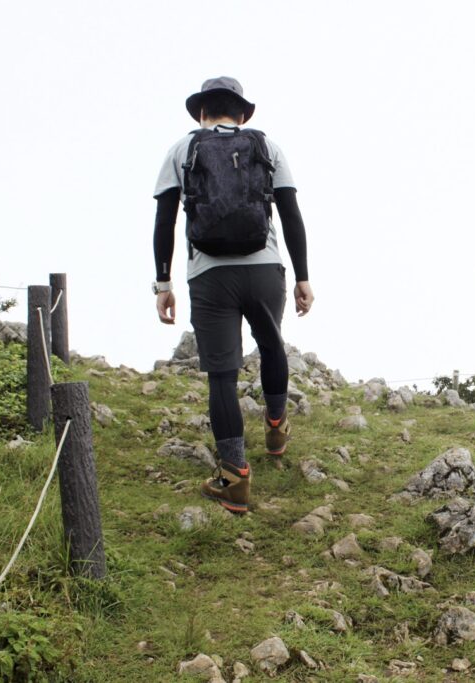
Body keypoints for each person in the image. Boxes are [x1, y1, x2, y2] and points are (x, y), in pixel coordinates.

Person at [152, 76, 314, 514]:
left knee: (222, 375)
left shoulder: (181, 150)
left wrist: (163, 284)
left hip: (208, 275)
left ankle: (235, 477)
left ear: (202, 113)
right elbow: (291, 213)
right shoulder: (267, 146)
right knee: (271, 345)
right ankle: (277, 426)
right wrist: (302, 277)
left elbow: (164, 220)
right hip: (265, 268)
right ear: (242, 114)